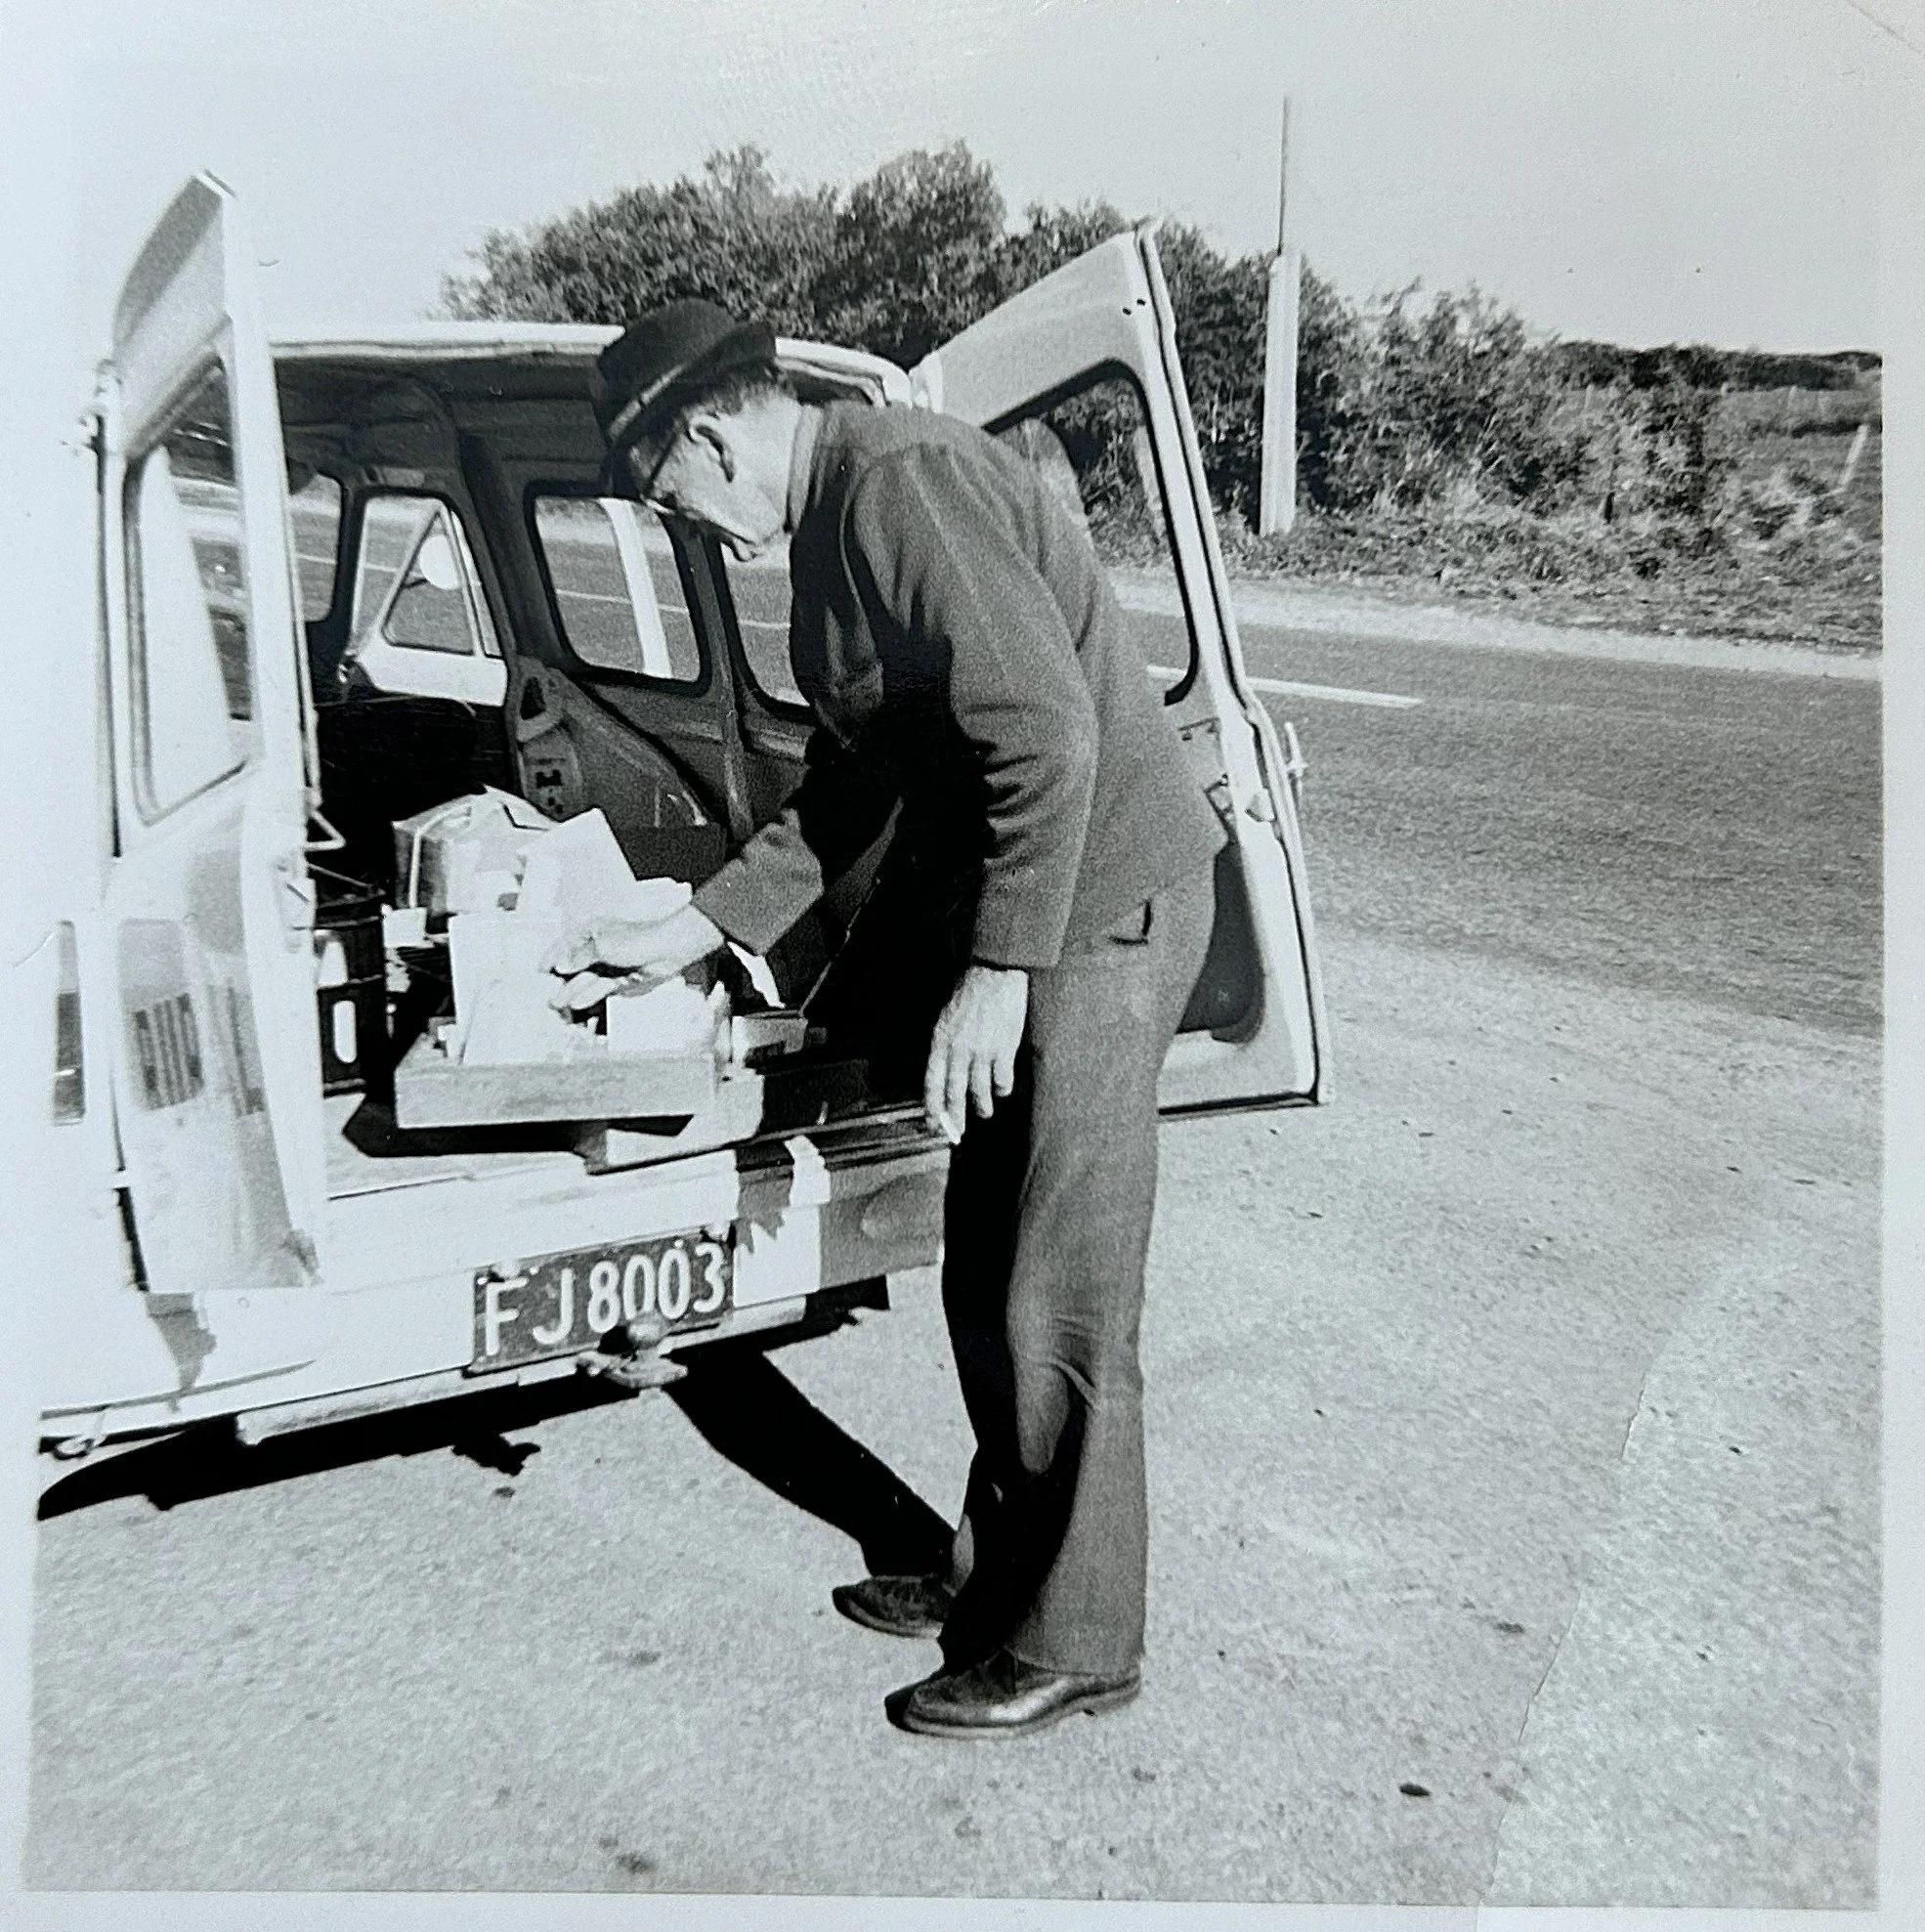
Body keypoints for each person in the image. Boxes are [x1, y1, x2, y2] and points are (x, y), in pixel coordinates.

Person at [546, 299, 1226, 1738]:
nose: (683, 526)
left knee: (1058, 1289)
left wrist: (998, 975)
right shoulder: (834, 520)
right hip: (1048, 920)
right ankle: (995, 1577)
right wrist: (697, 921)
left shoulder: (899, 483)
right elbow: (858, 782)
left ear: (715, 432)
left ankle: (1078, 1639)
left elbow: (1043, 730)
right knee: (985, 1269)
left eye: (665, 491)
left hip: (1098, 914)